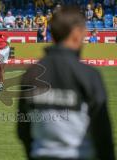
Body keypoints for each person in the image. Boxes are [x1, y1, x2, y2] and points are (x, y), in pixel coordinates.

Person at [18, 6, 115, 160]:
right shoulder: (88, 75)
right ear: (76, 34)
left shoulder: (31, 74)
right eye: (84, 32)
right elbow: (102, 132)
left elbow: (23, 129)